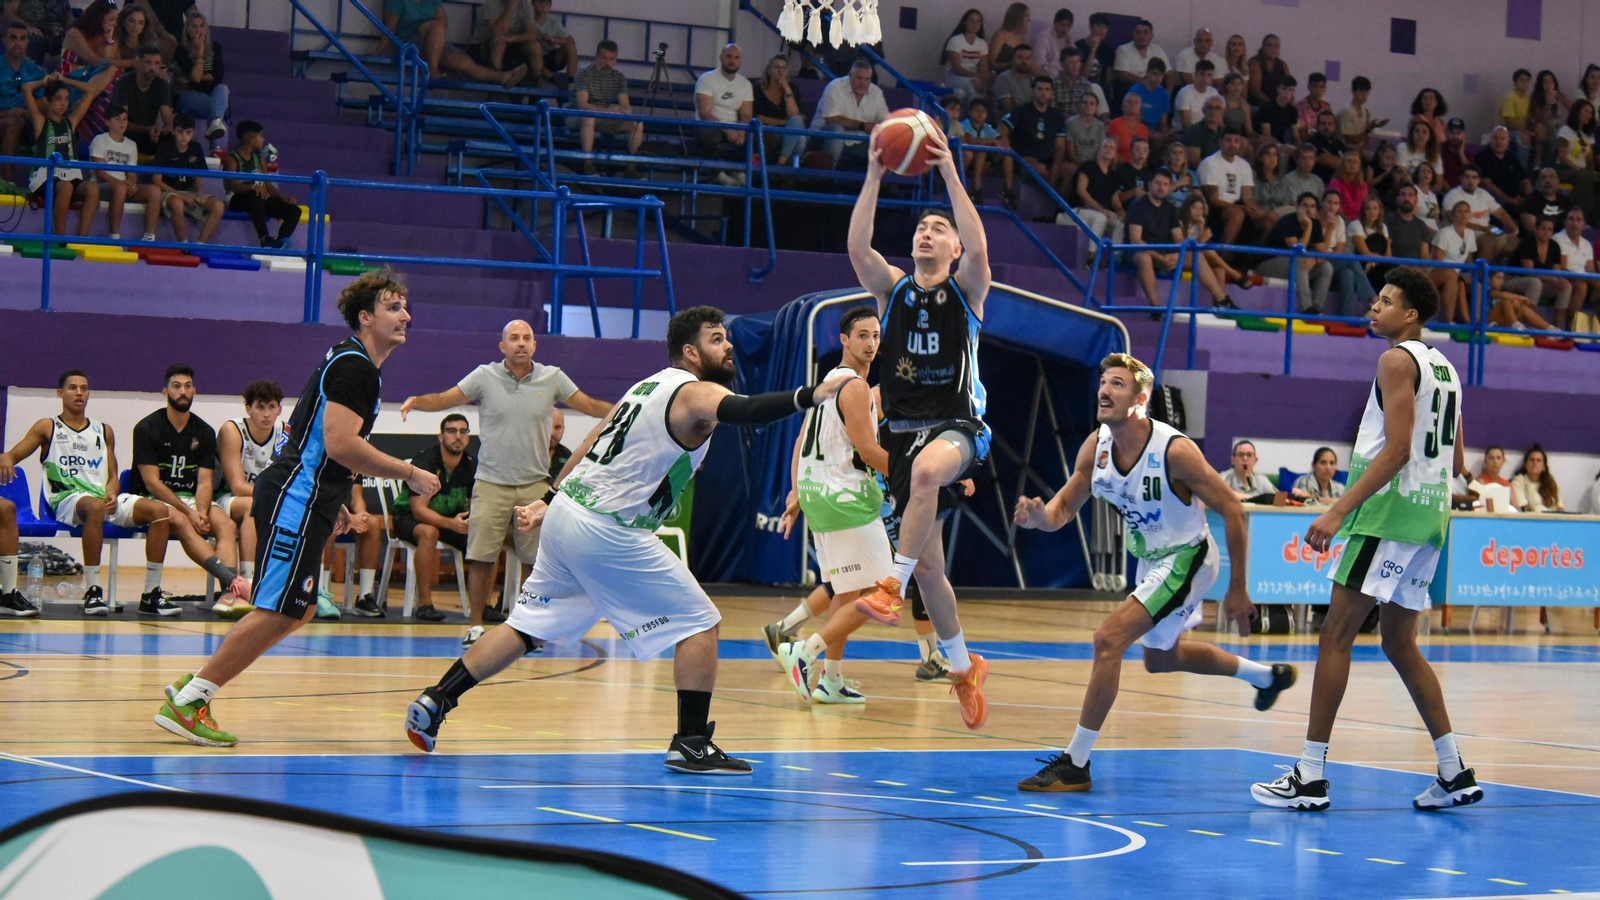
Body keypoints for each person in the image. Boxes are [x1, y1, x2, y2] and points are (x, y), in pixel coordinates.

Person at [403, 306, 855, 768]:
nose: (729, 346)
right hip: (607, 528)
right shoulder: (695, 392)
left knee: (526, 627)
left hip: (570, 513)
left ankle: (437, 698)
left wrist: (551, 498)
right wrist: (811, 394)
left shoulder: (645, 387)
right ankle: (691, 742)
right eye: (717, 339)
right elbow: (745, 411)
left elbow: (592, 440)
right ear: (690, 352)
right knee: (701, 623)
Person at [156, 271, 439, 747]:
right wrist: (408, 472)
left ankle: (196, 683)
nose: (406, 315)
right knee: (279, 610)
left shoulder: (356, 362)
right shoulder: (355, 367)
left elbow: (320, 440)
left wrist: (338, 497)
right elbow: (341, 443)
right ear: (366, 317)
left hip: (311, 496)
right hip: (296, 498)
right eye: (393, 307)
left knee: (300, 609)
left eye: (405, 307)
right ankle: (190, 700)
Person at [1251, 267, 1480, 813]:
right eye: (1377, 299)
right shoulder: (1446, 368)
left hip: (1386, 516)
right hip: (1429, 520)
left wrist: (1337, 511)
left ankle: (1310, 775)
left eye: (1387, 301)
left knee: (1335, 635)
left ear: (1411, 315)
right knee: (1399, 644)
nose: (1375, 306)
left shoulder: (1395, 360)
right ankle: (1454, 771)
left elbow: (1397, 450)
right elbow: (1456, 460)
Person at [1013, 353, 1291, 793]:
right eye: (1103, 382)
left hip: (1188, 556)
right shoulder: (1097, 447)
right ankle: (1266, 677)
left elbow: (1234, 510)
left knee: (1108, 639)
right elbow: (1062, 508)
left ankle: (1076, 763)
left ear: (1140, 400)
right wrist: (1037, 519)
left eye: (1117, 384)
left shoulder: (1175, 451)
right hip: (1153, 558)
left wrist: (1238, 589)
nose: (1104, 390)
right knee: (1162, 659)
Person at [849, 124, 994, 730]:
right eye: (921, 227)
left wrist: (950, 172)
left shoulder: (967, 290)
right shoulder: (893, 291)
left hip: (958, 424)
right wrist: (874, 174)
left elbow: (981, 249)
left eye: (939, 229)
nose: (926, 232)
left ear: (954, 248)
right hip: (904, 433)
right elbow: (859, 250)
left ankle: (890, 585)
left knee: (932, 471)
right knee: (933, 570)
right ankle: (962, 668)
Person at [400, 320, 612, 646]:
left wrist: (628, 410)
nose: (521, 343)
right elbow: (445, 399)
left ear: (535, 345)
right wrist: (417, 401)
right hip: (490, 483)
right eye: (514, 338)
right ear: (503, 346)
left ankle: (526, 627)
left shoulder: (553, 377)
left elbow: (590, 406)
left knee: (534, 562)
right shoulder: (484, 376)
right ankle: (475, 627)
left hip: (535, 486)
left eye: (527, 338)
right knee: (482, 558)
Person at [773, 308, 890, 704]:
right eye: (862, 335)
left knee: (845, 593)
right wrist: (917, 475)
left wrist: (796, 493)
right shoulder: (854, 387)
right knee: (884, 591)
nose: (870, 343)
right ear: (843, 340)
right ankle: (803, 650)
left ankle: (831, 680)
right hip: (844, 499)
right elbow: (869, 452)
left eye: (875, 335)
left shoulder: (826, 385)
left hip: (819, 497)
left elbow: (800, 442)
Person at [0, 371, 140, 615]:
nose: (79, 393)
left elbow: (112, 476)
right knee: (94, 506)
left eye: (84, 388)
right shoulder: (48, 426)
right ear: (60, 393)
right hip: (65, 499)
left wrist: (112, 492)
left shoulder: (103, 431)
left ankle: (152, 594)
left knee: (158, 511)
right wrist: (6, 457)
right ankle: (93, 590)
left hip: (98, 499)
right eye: (73, 388)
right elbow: (13, 454)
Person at [127, 365, 252, 617]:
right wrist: (190, 512)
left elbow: (205, 482)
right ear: (165, 392)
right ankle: (234, 582)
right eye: (176, 386)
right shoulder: (147, 428)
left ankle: (228, 596)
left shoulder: (204, 432)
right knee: (182, 519)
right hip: (154, 499)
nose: (182, 392)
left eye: (187, 386)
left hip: (191, 500)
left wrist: (202, 512)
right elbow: (152, 483)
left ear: (194, 390)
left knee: (226, 525)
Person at [214, 380, 288, 619]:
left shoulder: (286, 433)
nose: (266, 414)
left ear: (279, 409)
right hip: (228, 499)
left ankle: (307, 588)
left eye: (271, 407)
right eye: (260, 407)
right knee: (251, 506)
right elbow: (237, 486)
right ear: (248, 409)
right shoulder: (232, 430)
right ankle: (248, 581)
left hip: (267, 500)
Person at [393, 414, 477, 622]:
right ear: (441, 436)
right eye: (451, 431)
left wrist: (467, 523)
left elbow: (475, 503)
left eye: (463, 432)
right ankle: (425, 604)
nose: (458, 437)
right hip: (409, 517)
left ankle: (483, 607)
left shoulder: (471, 465)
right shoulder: (425, 462)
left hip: (449, 520)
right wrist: (451, 524)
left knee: (485, 536)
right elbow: (419, 510)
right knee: (429, 532)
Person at [22, 69, 113, 237]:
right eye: (58, 99)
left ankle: (80, 239)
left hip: (69, 177)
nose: (63, 103)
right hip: (45, 179)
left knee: (92, 188)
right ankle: (60, 238)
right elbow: (26, 88)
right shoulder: (41, 122)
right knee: (65, 187)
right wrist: (43, 82)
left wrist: (65, 80)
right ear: (47, 101)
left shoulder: (70, 122)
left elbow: (90, 91)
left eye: (66, 99)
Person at [1128, 168, 1234, 310]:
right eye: (1158, 183)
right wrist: (1161, 258)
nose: (1161, 187)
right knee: (1144, 258)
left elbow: (1179, 239)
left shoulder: (1170, 208)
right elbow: (1136, 241)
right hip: (1141, 252)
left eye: (1165, 184)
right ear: (1150, 184)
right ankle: (1155, 307)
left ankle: (1222, 300)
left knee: (1196, 256)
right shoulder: (1138, 205)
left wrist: (1178, 255)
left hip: (1166, 253)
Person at [88, 104, 161, 242]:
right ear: (107, 122)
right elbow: (100, 172)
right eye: (118, 119)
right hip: (102, 186)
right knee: (120, 188)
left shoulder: (131, 145)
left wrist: (131, 184)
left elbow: (132, 172)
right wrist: (123, 184)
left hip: (123, 187)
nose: (122, 122)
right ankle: (114, 236)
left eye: (125, 119)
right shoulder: (99, 140)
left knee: (155, 191)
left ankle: (149, 238)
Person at [223, 120, 301, 249]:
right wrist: (253, 187)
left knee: (294, 210)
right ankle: (264, 238)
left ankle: (279, 243)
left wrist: (282, 197)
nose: (263, 140)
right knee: (256, 195)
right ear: (251, 139)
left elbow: (267, 185)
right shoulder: (232, 159)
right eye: (261, 136)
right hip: (236, 199)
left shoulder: (260, 158)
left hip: (259, 199)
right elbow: (233, 186)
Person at [569, 40, 643, 172]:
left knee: (637, 124)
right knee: (588, 118)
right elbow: (582, 105)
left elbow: (625, 106)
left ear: (616, 58)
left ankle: (631, 168)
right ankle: (587, 165)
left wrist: (621, 111)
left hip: (605, 117)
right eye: (604, 58)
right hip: (577, 115)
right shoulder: (584, 73)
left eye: (611, 59)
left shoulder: (619, 77)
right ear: (597, 56)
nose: (607, 62)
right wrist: (609, 110)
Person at [152, 113, 225, 243]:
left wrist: (199, 194)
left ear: (193, 133)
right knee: (177, 203)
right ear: (173, 131)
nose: (184, 136)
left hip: (190, 193)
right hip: (169, 192)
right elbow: (157, 181)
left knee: (218, 206)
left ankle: (200, 244)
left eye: (188, 132)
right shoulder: (164, 148)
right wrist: (182, 196)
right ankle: (183, 245)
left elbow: (198, 177)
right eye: (180, 132)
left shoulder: (196, 148)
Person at [1258, 192, 1333, 314]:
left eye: (1312, 206)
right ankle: (1307, 308)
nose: (1308, 209)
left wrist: (1329, 229)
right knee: (1299, 261)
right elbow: (1298, 250)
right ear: (1297, 207)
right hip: (1269, 263)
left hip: (1294, 265)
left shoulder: (1316, 224)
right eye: (1305, 205)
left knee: (1326, 267)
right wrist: (1308, 227)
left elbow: (1323, 251)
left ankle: (1317, 309)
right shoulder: (1287, 221)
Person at [998, 75, 1066, 208]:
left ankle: (1060, 208)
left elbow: (1060, 147)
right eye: (1040, 89)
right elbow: (1001, 130)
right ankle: (1048, 205)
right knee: (1041, 170)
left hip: (1048, 159)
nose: (1043, 93)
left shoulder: (1057, 116)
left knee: (1070, 170)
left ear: (1052, 93)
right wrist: (1011, 152)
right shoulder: (1021, 111)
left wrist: (1056, 166)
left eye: (1047, 89)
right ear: (1033, 91)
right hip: (1024, 159)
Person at [810, 59, 886, 165]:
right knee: (836, 129)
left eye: (867, 79)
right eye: (859, 78)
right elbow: (831, 120)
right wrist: (863, 126)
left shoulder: (876, 93)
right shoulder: (835, 87)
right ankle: (828, 173)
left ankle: (883, 176)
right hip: (822, 138)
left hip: (860, 142)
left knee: (886, 146)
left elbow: (885, 121)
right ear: (850, 75)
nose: (863, 83)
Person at [1441, 164, 1519, 262]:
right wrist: (1483, 228)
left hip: (1487, 229)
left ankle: (1489, 265)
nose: (1470, 181)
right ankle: (1478, 270)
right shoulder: (1452, 195)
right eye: (1467, 177)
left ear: (1479, 180)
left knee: (1514, 242)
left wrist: (1514, 229)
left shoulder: (1483, 193)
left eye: (1474, 178)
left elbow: (1500, 213)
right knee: (1488, 241)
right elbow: (1453, 220)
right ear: (1461, 178)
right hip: (1464, 231)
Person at [171, 12, 227, 141]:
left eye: (202, 26)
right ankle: (216, 144)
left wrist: (196, 77)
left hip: (210, 91)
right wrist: (199, 56)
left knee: (222, 89)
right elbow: (196, 78)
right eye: (194, 26)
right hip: (187, 94)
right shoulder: (181, 50)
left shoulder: (215, 48)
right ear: (187, 30)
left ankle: (215, 122)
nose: (198, 30)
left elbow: (218, 76)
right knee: (216, 106)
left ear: (206, 29)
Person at [1, 22, 45, 184]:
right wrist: (7, 113)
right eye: (13, 38)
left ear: (27, 42)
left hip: (29, 122)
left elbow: (44, 101)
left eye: (22, 38)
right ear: (4, 40)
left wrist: (27, 112)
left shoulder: (36, 71)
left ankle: (46, 183)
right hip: (3, 119)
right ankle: (7, 183)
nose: (18, 42)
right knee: (14, 122)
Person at [109, 45, 173, 156]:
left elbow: (168, 122)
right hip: (127, 132)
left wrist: (159, 131)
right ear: (138, 62)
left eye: (157, 63)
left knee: (173, 139)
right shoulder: (124, 83)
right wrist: (147, 129)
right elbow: (121, 121)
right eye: (148, 63)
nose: (152, 68)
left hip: (148, 134)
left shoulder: (161, 86)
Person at [694, 43, 754, 162]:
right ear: (721, 57)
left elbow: (746, 115)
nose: (732, 61)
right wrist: (727, 130)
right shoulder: (707, 79)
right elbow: (705, 114)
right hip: (708, 126)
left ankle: (739, 171)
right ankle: (716, 171)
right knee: (712, 136)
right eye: (729, 56)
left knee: (755, 137)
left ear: (740, 60)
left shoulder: (745, 84)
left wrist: (741, 131)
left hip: (734, 127)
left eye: (736, 57)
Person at [1198, 126, 1256, 246]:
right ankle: (1222, 254)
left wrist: (1253, 208)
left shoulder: (1244, 165)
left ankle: (1254, 257)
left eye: (1236, 141)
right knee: (1237, 214)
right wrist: (1242, 208)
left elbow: (1248, 196)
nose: (1233, 144)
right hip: (1215, 210)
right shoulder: (1210, 163)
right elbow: (1213, 200)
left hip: (1238, 205)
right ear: (1220, 142)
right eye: (1229, 140)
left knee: (1269, 218)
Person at [1507, 216, 1572, 323]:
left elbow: (1556, 270)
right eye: (1543, 228)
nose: (1546, 232)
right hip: (1513, 279)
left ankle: (1556, 327)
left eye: (1549, 229)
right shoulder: (1526, 243)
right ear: (1536, 228)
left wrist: (1560, 279)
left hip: (1541, 282)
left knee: (1566, 286)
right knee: (1535, 283)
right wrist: (1554, 279)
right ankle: (1529, 324)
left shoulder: (1554, 246)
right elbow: (1530, 272)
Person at [753, 55, 806, 166]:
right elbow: (758, 118)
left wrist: (787, 89)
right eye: (777, 67)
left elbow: (794, 116)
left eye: (784, 68)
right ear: (769, 70)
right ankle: (786, 170)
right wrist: (783, 122)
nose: (781, 71)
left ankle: (782, 161)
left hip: (786, 133)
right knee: (799, 138)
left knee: (800, 135)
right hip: (766, 132)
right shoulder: (758, 90)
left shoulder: (792, 89)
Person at [1073, 136, 1124, 242]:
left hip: (1102, 211)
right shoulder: (1088, 166)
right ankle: (1092, 251)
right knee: (1100, 217)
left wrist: (1120, 211)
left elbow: (1114, 198)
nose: (1108, 149)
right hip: (1082, 209)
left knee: (1121, 223)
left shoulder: (1112, 175)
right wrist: (1099, 208)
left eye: (1111, 147)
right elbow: (1081, 190)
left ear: (1115, 153)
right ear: (1099, 149)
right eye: (1105, 146)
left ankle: (1115, 253)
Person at [1555, 99, 1597, 220]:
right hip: (1565, 169)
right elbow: (1562, 156)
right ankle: (1580, 213)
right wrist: (1576, 168)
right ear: (1577, 112)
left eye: (1591, 112)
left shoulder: (1588, 135)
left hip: (1582, 171)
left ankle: (1595, 218)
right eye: (1586, 111)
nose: (1589, 115)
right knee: (1584, 176)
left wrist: (1592, 172)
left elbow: (1589, 159)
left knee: (1592, 177)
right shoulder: (1565, 131)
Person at [1554, 208, 1596, 329]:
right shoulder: (1558, 239)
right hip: (1564, 277)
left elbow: (1591, 270)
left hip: (1583, 277)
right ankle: (1570, 326)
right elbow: (1562, 267)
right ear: (1565, 222)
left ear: (1584, 224)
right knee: (1581, 286)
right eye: (1571, 219)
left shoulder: (1586, 244)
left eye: (1578, 220)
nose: (1575, 223)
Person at [1476, 126, 1531, 210]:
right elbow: (1487, 184)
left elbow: (1524, 179)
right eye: (1495, 138)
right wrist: (1508, 200)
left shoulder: (1512, 157)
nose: (1499, 142)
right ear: (1490, 140)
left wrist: (1527, 193)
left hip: (1516, 198)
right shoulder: (1482, 156)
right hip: (1495, 200)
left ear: (1507, 141)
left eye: (1502, 139)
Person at [1484, 269, 1557, 332]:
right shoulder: (1487, 290)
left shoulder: (1500, 291)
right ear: (1489, 279)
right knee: (1506, 300)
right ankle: (1516, 327)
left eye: (1502, 279)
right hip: (1489, 321)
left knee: (1522, 308)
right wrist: (1520, 297)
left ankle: (1550, 329)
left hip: (1501, 321)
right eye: (1498, 278)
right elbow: (1504, 295)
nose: (1501, 281)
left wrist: (1516, 303)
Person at [1060, 90, 1104, 193]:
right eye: (1085, 103)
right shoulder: (1071, 123)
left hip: (1095, 163)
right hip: (1076, 162)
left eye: (1092, 103)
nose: (1088, 106)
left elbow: (1101, 150)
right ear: (1080, 105)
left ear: (1096, 107)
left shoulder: (1100, 126)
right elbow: (1071, 153)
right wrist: (1086, 165)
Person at [957, 97, 999, 202]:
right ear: (970, 112)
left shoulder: (987, 128)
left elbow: (999, 141)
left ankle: (977, 189)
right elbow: (969, 140)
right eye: (977, 110)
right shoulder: (963, 125)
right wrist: (991, 141)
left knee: (984, 153)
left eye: (983, 111)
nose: (980, 113)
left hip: (980, 162)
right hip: (964, 160)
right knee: (981, 151)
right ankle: (974, 186)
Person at [942, 8, 989, 102]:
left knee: (983, 87)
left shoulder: (982, 43)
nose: (975, 24)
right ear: (965, 22)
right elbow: (957, 68)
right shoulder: (956, 40)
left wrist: (984, 78)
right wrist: (976, 76)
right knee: (971, 86)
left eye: (978, 21)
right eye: (971, 20)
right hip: (955, 76)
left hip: (974, 75)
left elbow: (984, 68)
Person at [5, 0, 72, 64]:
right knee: (33, 41)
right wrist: (27, 26)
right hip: (32, 30)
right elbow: (9, 12)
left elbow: (69, 16)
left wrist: (72, 32)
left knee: (73, 42)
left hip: (59, 33)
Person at [1111, 19, 1166, 94]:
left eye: (1145, 32)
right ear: (1133, 34)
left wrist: (1168, 92)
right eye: (1138, 32)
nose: (1141, 35)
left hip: (1154, 86)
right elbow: (1123, 75)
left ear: (1151, 36)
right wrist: (1146, 83)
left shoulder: (1157, 50)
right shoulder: (1123, 49)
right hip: (1131, 88)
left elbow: (1169, 73)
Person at [1052, 46, 1106, 121]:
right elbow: (1052, 109)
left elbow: (1089, 109)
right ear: (1062, 64)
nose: (1075, 66)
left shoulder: (1085, 84)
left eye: (1077, 62)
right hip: (1059, 122)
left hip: (1081, 123)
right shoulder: (1053, 83)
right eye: (1071, 62)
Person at [1529, 70, 1569, 166]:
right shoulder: (1537, 97)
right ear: (1541, 84)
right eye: (1545, 82)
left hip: (1557, 127)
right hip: (1544, 127)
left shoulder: (1559, 96)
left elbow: (1574, 109)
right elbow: (1538, 119)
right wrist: (1547, 105)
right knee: (1541, 129)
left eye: (1551, 81)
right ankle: (1538, 162)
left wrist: (1560, 99)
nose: (1549, 84)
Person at [1338, 76, 1387, 153]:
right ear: (1353, 91)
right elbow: (1350, 140)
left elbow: (1366, 138)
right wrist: (1370, 128)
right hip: (1346, 151)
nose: (1364, 96)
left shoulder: (1366, 111)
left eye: (1366, 92)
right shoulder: (1347, 111)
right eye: (1361, 92)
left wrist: (1364, 148)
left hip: (1360, 151)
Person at [1520, 167, 1573, 234]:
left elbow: (1573, 224)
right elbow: (1532, 228)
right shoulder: (1529, 201)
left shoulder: (1566, 201)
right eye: (1544, 177)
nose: (1548, 180)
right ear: (1538, 183)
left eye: (1551, 177)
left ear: (1558, 182)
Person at [1511, 445, 1563, 514]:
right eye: (1532, 460)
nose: (1535, 463)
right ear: (1525, 465)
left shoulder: (1551, 483)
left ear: (1543, 467)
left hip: (1553, 518)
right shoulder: (1518, 482)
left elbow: (1560, 508)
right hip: (1531, 518)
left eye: (1538, 460)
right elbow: (1523, 508)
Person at [1460, 446, 1512, 512]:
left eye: (1498, 458)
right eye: (1491, 458)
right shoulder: (1480, 482)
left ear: (1503, 461)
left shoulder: (1507, 484)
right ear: (1485, 461)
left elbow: (1516, 507)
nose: (1495, 461)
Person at [985, 2, 1030, 80]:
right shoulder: (1001, 35)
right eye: (1026, 16)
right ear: (1018, 17)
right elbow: (991, 62)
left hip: (1018, 73)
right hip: (1001, 74)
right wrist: (1010, 65)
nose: (1029, 19)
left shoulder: (1022, 38)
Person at [1127, 59, 1171, 136]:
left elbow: (1163, 124)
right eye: (1155, 74)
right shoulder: (1135, 91)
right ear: (1147, 72)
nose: (1158, 78)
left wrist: (1165, 136)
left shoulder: (1163, 93)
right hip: (1138, 133)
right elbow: (1135, 122)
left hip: (1157, 133)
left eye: (1161, 75)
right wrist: (1154, 135)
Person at [992, 43, 1039, 115]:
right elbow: (1008, 108)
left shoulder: (1033, 79)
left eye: (1027, 58)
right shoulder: (1004, 78)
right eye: (1020, 58)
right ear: (1012, 60)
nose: (1024, 61)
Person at [1501, 69, 1535, 167]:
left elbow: (1529, 120)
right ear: (1515, 82)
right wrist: (1527, 132)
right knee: (1524, 138)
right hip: (1506, 131)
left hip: (1522, 130)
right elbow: (1511, 124)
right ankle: (1520, 171)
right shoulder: (1510, 97)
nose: (1525, 83)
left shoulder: (1527, 100)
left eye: (1527, 80)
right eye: (1522, 80)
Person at [1181, 96, 1225, 171]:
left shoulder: (1224, 132)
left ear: (1223, 112)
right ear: (1203, 111)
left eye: (1217, 108)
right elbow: (1194, 162)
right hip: (1201, 172)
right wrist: (1218, 170)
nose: (1213, 111)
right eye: (1210, 107)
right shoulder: (1194, 131)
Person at [1247, 34, 1290, 107]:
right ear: (1263, 47)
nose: (1273, 48)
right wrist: (1273, 105)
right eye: (1269, 45)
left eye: (1276, 46)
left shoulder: (1283, 65)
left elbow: (1289, 87)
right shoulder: (1254, 62)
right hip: (1258, 105)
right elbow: (1256, 91)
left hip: (1278, 104)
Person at [1174, 59, 1219, 129]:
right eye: (1202, 74)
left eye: (1209, 75)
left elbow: (1218, 117)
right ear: (1195, 75)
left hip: (1207, 131)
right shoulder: (1185, 92)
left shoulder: (1214, 92)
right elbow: (1186, 123)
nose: (1205, 78)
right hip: (1184, 132)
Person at [1028, 8, 1072, 78]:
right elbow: (1039, 64)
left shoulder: (1067, 39)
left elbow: (1073, 61)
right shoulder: (1043, 37)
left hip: (1064, 77)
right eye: (1062, 24)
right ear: (1055, 23)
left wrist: (1070, 43)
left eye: (1068, 26)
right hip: (1047, 77)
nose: (1065, 29)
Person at [1255, 75, 1299, 146]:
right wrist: (1282, 146)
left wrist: (1300, 148)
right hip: (1264, 143)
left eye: (1290, 89)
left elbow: (1296, 135)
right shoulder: (1266, 107)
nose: (1287, 93)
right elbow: (1267, 135)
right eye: (1284, 89)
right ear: (1278, 89)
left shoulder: (1293, 110)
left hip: (1281, 143)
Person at [1105, 91, 1148, 163]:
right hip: (1119, 165)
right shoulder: (1115, 124)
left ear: (1140, 108)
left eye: (1136, 102)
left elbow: (1145, 155)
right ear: (1122, 106)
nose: (1132, 104)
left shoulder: (1143, 129)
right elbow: (1113, 151)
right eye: (1129, 102)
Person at [1073, 12, 1113, 87]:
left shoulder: (1108, 50)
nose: (1102, 30)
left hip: (1100, 88)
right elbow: (1083, 76)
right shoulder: (1078, 46)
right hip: (1082, 86)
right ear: (1090, 27)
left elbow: (1108, 79)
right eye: (1099, 26)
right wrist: (1093, 49)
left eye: (1105, 27)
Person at [1328, 150, 1368, 221]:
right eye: (1349, 161)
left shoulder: (1363, 185)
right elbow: (1333, 207)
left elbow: (1364, 207)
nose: (1352, 164)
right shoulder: (1335, 183)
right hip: (1340, 219)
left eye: (1355, 162)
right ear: (1343, 164)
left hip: (1359, 221)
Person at [1366, 141, 1404, 211]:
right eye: (1387, 158)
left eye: (1392, 159)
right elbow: (1370, 183)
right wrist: (1385, 173)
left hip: (1389, 195)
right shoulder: (1372, 166)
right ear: (1381, 155)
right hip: (1376, 193)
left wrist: (1396, 180)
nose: (1390, 161)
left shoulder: (1394, 169)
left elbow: (1394, 189)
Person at [1296, 72, 1332, 142]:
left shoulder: (1326, 107)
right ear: (1309, 87)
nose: (1318, 90)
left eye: (1321, 87)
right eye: (1314, 86)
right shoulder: (1300, 106)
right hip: (1306, 143)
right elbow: (1300, 132)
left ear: (1325, 88)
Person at [1220, 72, 1255, 145]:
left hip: (1240, 135)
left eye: (1239, 84)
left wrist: (1260, 137)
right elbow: (1220, 125)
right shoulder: (1221, 102)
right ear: (1226, 86)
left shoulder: (1245, 104)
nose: (1237, 87)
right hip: (1224, 135)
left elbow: (1249, 130)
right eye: (1233, 83)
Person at [1440, 117, 1470, 189]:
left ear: (1464, 135)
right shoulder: (1439, 149)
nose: (1455, 136)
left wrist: (1461, 154)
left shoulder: (1468, 154)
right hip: (1443, 191)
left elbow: (1470, 174)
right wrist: (1452, 193)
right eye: (1452, 133)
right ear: (1446, 133)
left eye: (1459, 133)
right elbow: (1437, 175)